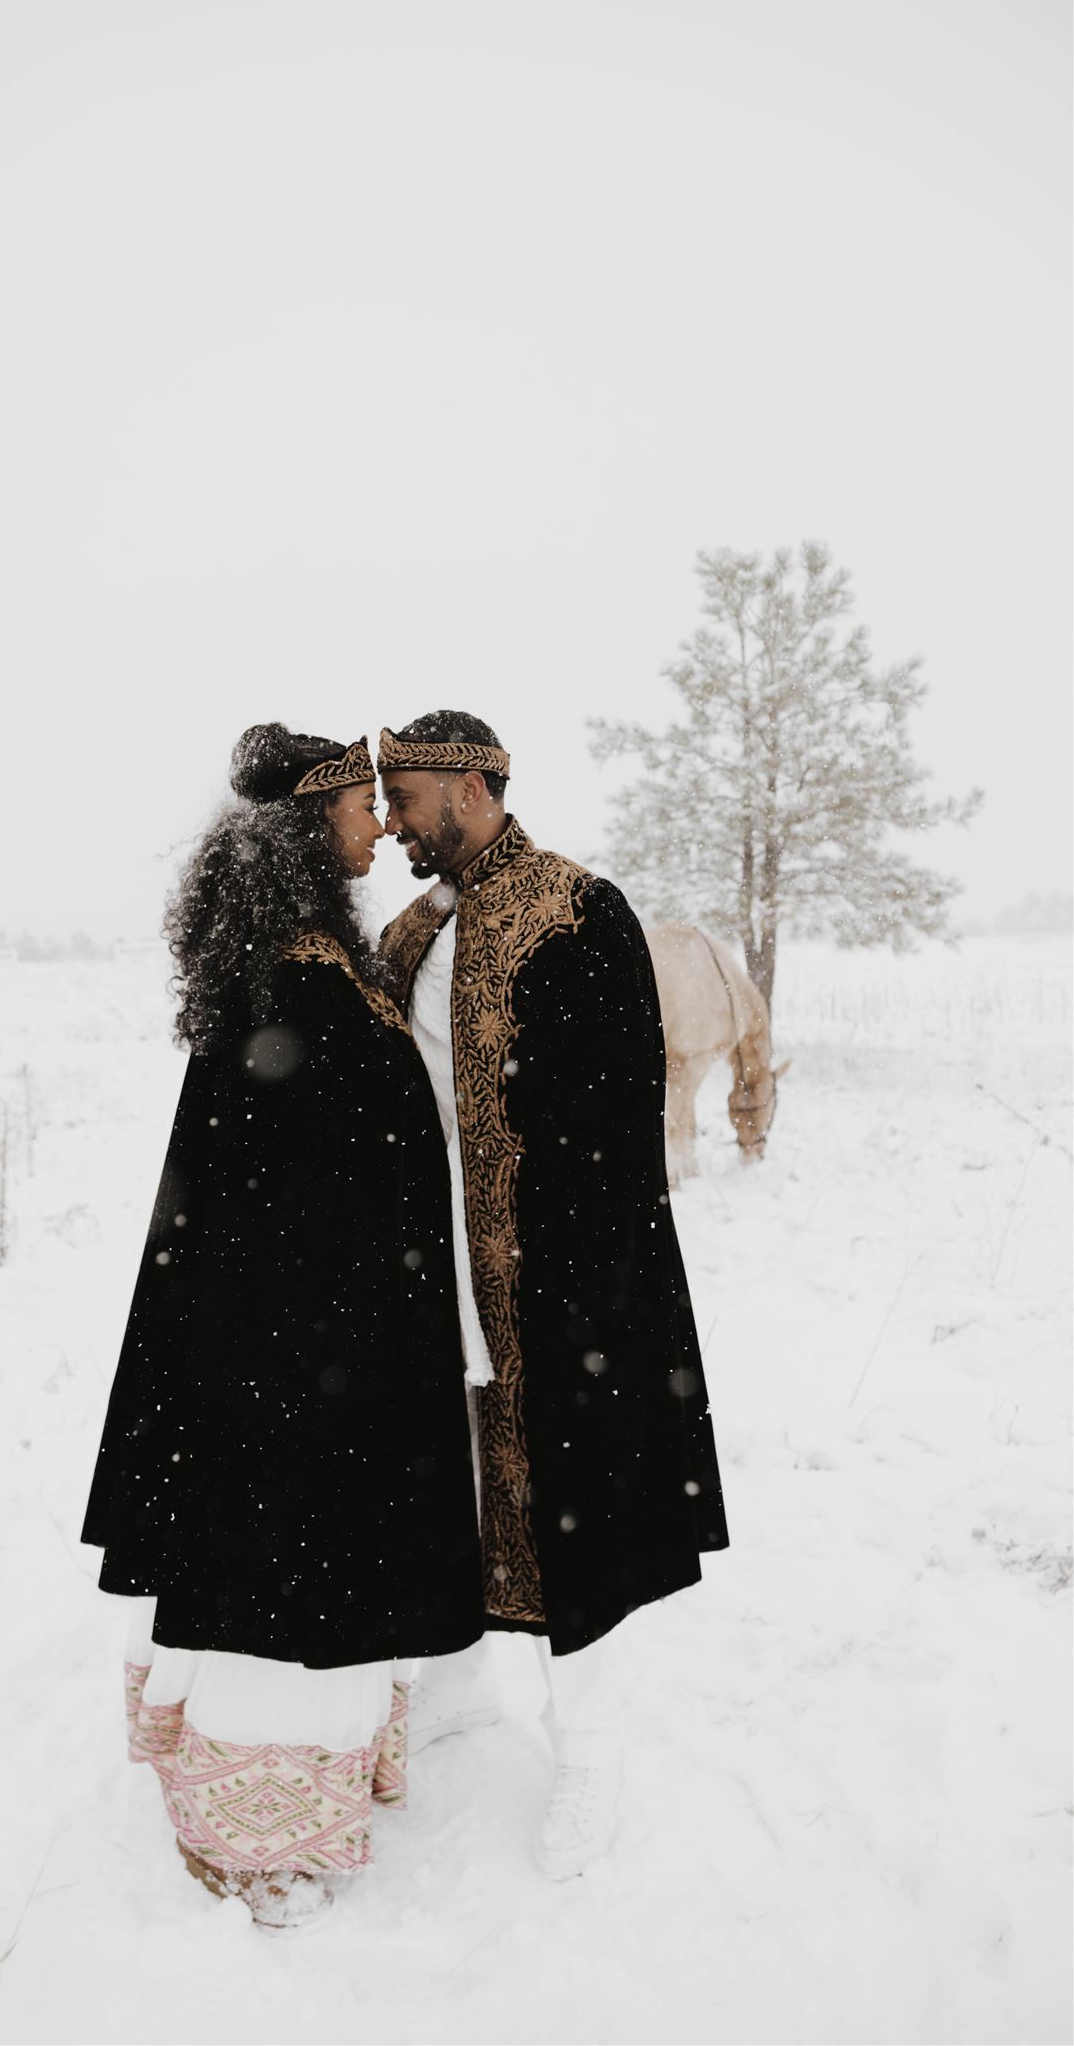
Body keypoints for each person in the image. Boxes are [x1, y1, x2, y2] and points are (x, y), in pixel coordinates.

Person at [82, 725, 483, 1932]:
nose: (378, 825)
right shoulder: (294, 978)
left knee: (299, 1570)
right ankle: (261, 1837)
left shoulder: (312, 959)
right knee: (287, 1577)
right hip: (298, 1359)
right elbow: (295, 1194)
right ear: (308, 830)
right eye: (360, 807)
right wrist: (340, 1345)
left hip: (314, 1342)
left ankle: (300, 1790)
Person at [377, 712, 729, 1881]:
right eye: (380, 794)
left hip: (560, 1291)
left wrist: (581, 1295)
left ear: (474, 786)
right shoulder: (413, 929)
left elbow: (620, 1128)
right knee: (460, 1487)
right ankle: (467, 1678)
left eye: (410, 795)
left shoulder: (579, 911)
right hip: (439, 1283)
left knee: (576, 1513)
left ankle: (593, 1749)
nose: (392, 819)